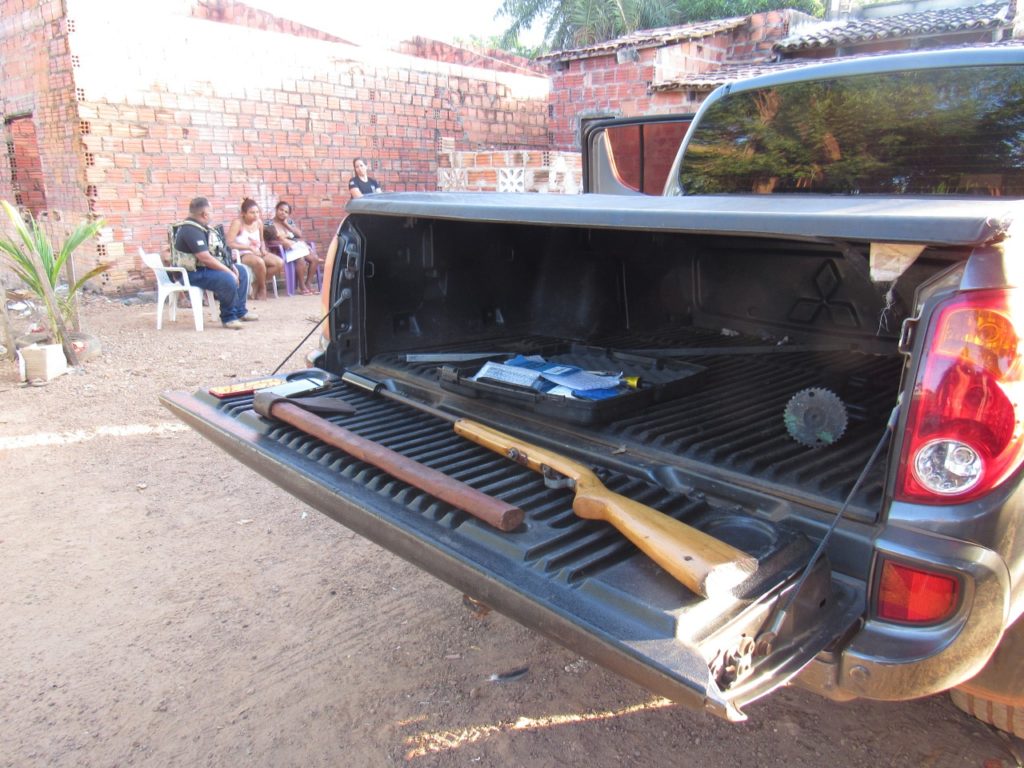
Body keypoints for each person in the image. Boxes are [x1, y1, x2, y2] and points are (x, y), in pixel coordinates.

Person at [172, 197, 257, 330]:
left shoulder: (203, 228)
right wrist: (228, 271)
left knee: (242, 270)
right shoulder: (190, 230)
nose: (212, 214)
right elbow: (204, 257)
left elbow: (216, 252)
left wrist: (230, 266)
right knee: (227, 278)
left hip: (202, 269)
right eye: (211, 211)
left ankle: (240, 311)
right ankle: (229, 317)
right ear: (204, 214)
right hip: (190, 274)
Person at [226, 198, 284, 300]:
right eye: (252, 212)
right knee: (260, 262)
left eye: (257, 212)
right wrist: (248, 247)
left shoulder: (259, 223)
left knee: (279, 263)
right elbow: (229, 243)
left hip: (257, 252)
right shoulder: (238, 223)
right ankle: (262, 288)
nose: (256, 215)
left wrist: (263, 249)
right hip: (242, 253)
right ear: (243, 213)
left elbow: (261, 240)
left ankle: (256, 284)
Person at [268, 200, 320, 295]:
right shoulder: (269, 223)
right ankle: (301, 286)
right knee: (301, 259)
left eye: (286, 212)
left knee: (315, 259)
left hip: (295, 247)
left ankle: (308, 283)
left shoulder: (289, 222)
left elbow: (299, 234)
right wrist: (283, 241)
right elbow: (268, 239)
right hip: (282, 250)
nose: (283, 213)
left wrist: (286, 224)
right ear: (276, 210)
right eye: (281, 210)